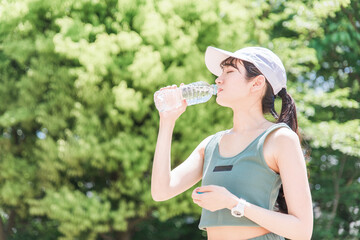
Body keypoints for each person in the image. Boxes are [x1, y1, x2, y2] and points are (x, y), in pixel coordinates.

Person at [151, 46, 313, 240]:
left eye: (229, 71)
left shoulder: (280, 139)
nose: (218, 79)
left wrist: (234, 203)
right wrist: (167, 122)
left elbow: (302, 231)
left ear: (256, 83)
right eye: (220, 72)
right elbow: (161, 191)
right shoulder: (211, 144)